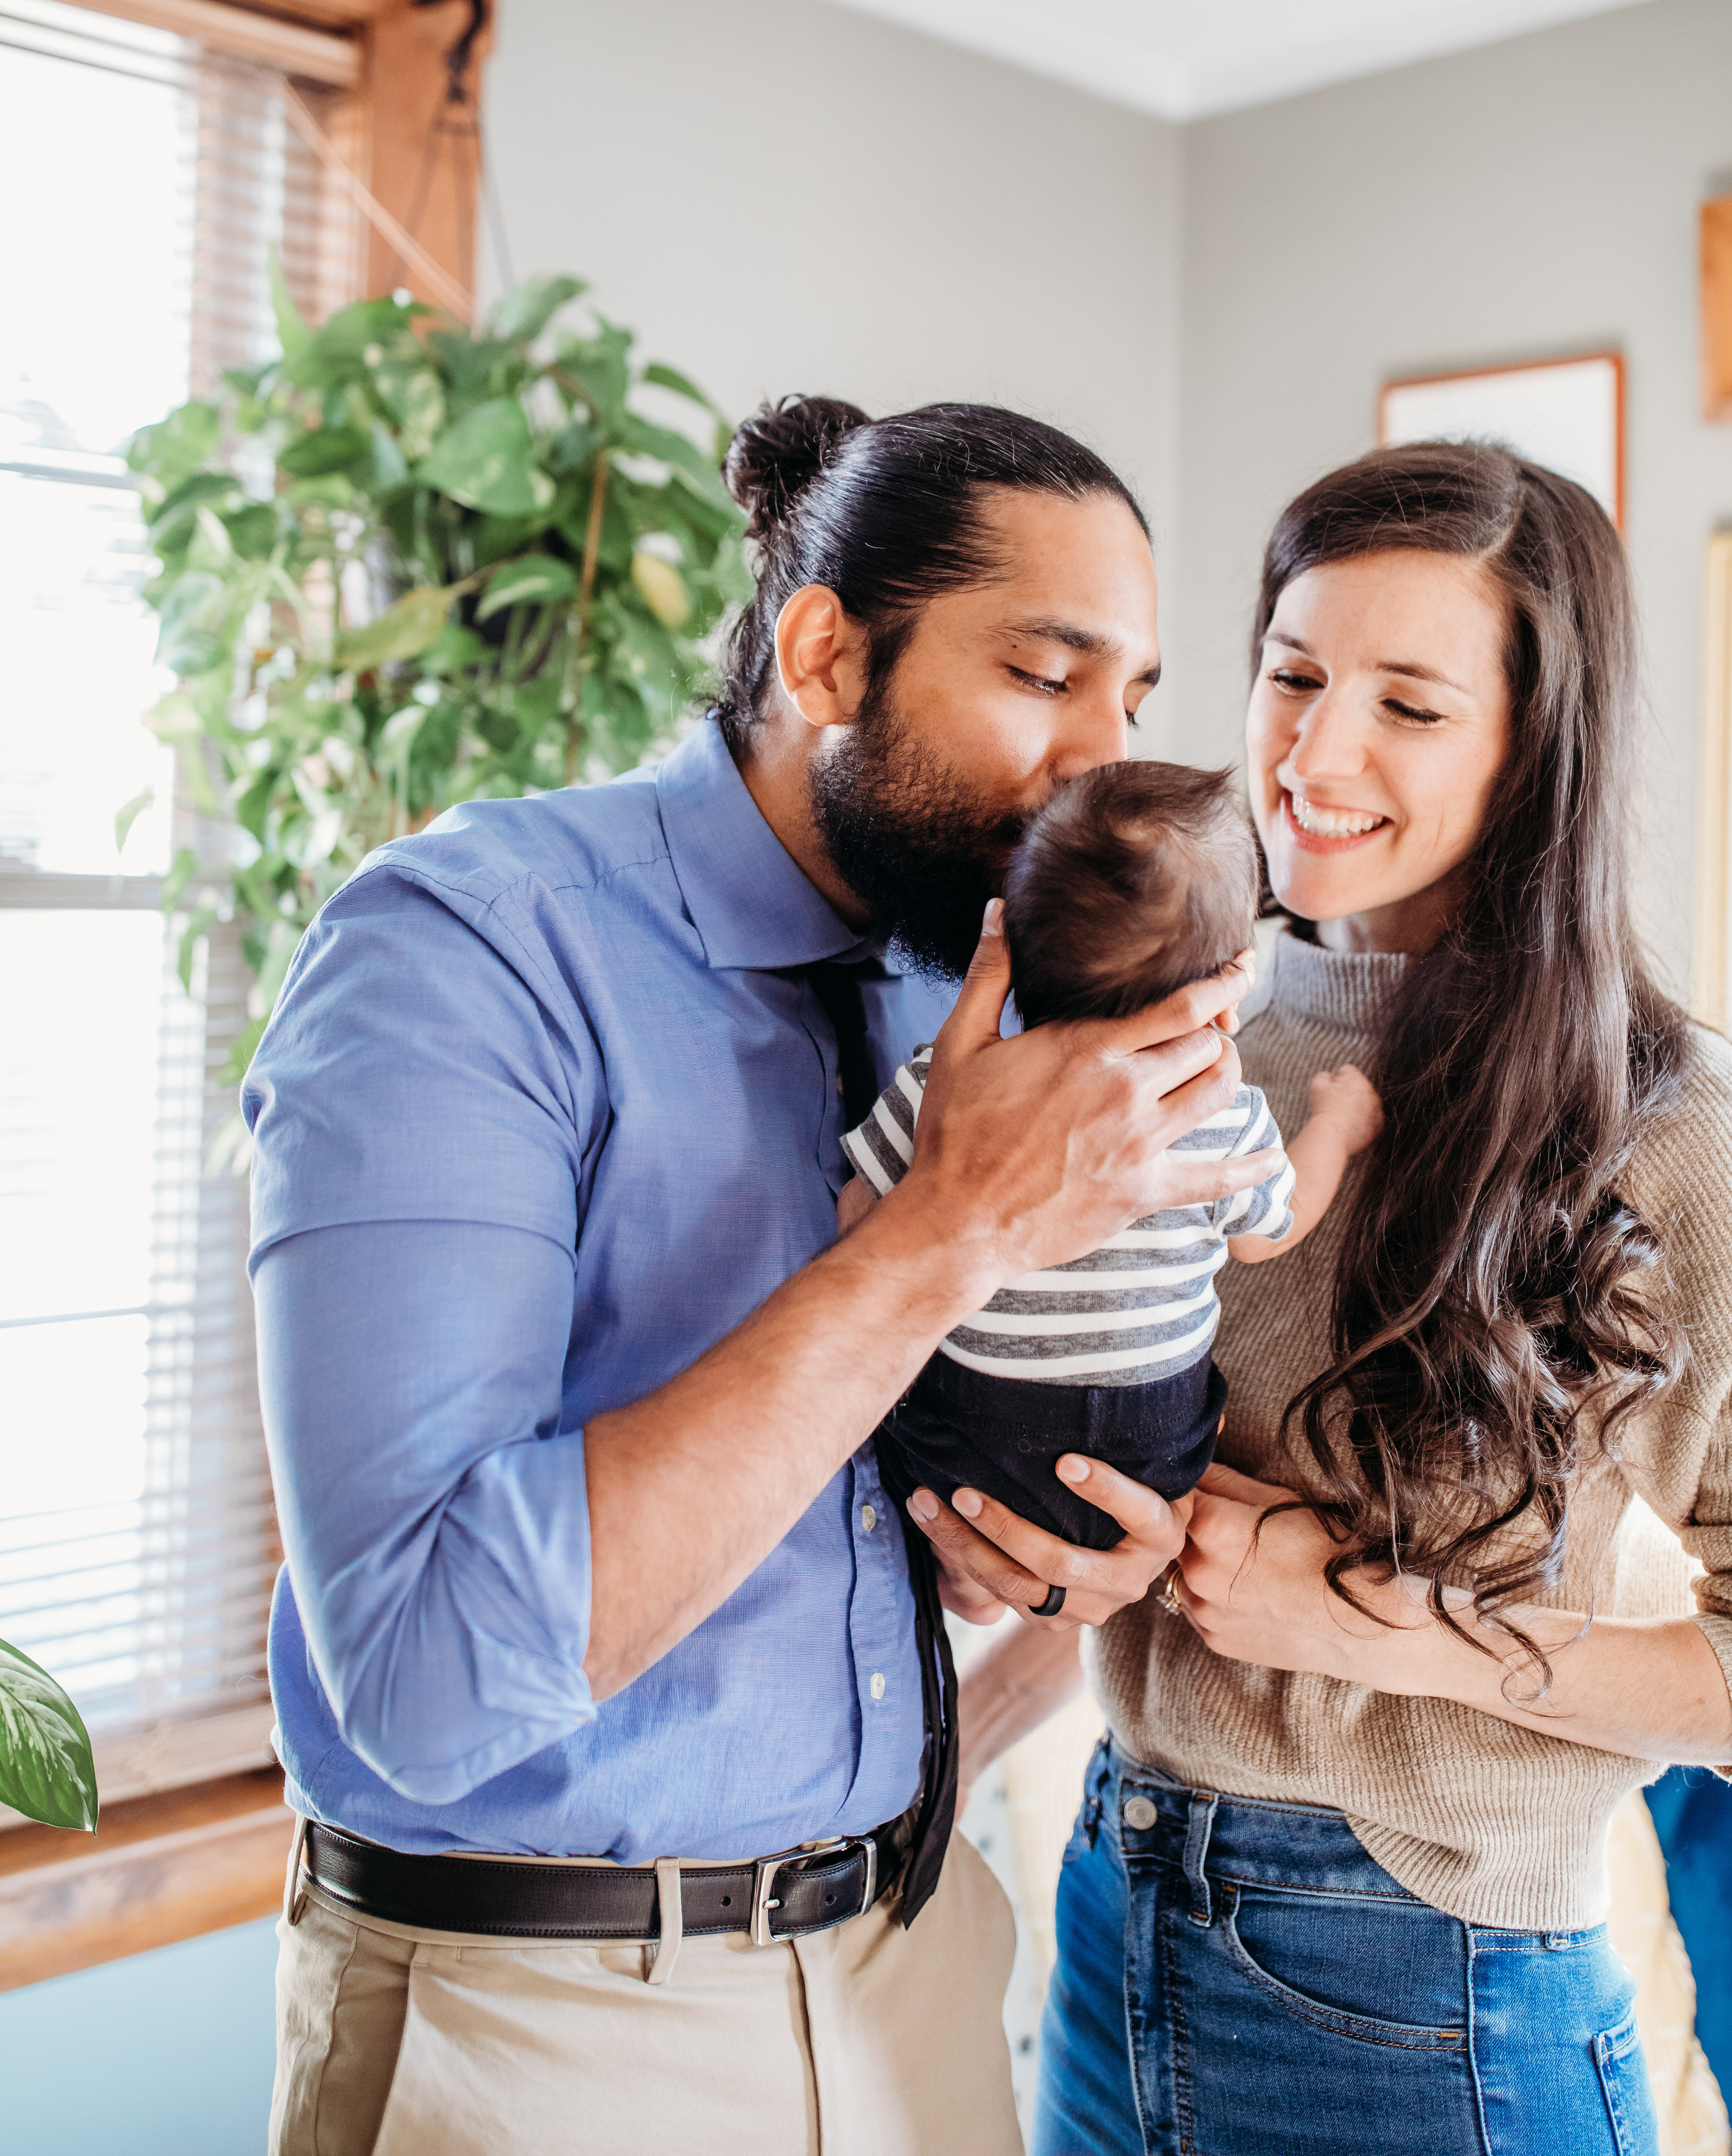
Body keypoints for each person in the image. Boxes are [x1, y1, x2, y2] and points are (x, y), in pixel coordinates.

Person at [247, 393, 1274, 2156]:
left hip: (918, 1975)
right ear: (822, 654)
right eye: (1046, 674)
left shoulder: (973, 984)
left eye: (1136, 698)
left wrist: (1062, 1578)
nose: (1103, 761)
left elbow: (852, 1562)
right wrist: (943, 1231)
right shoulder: (467, 952)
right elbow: (418, 1675)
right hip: (540, 2038)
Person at [914, 442, 1732, 2156]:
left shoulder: (1669, 1129)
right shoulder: (1162, 1020)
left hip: (1431, 1997)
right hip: (1115, 1910)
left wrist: (1383, 1629)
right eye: (1291, 675)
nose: (1315, 752)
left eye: (1411, 705)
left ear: (1535, 750)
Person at [837, 760, 1382, 1550]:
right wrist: (1336, 1124)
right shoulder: (1217, 1112)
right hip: (1153, 1454)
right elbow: (1271, 1230)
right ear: (1222, 998)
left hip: (973, 1444)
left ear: (1012, 955)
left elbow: (857, 1218)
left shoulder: (951, 1087)